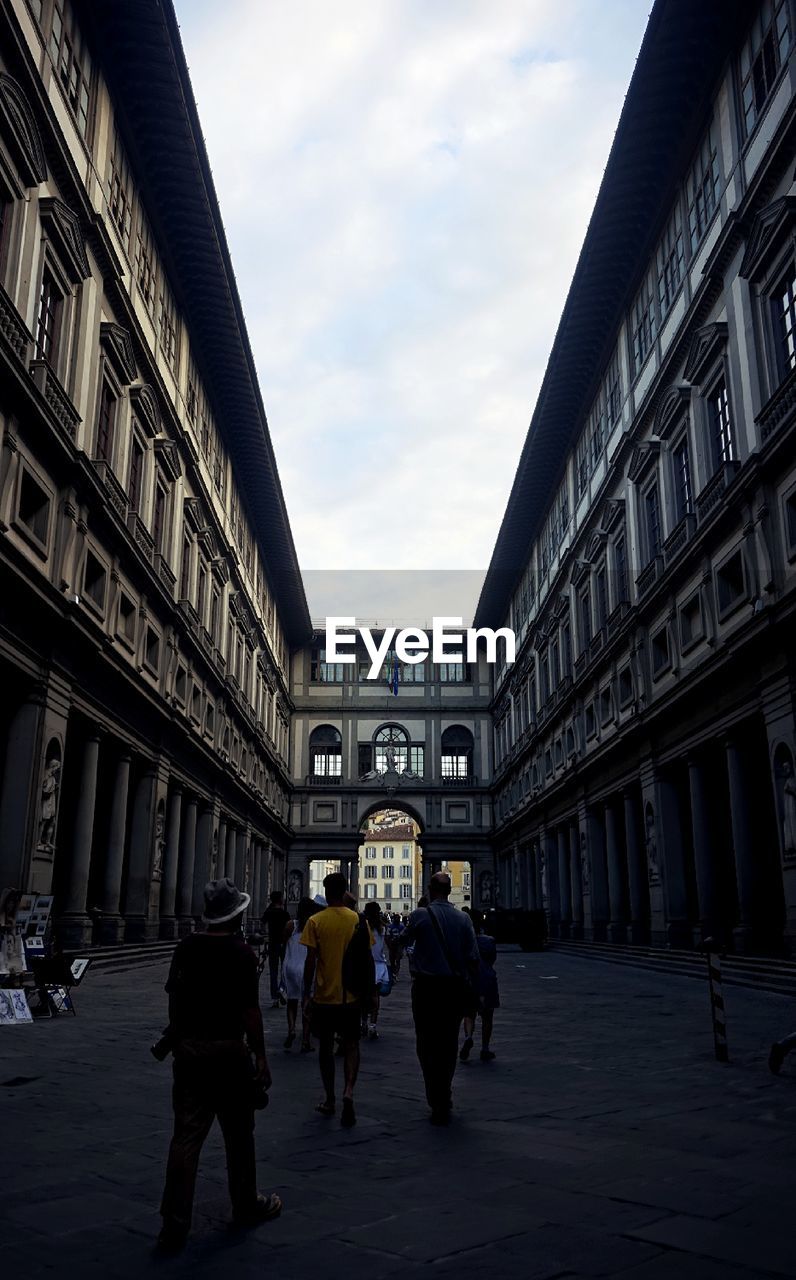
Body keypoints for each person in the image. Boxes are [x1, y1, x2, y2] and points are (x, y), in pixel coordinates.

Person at [158, 878, 281, 1252]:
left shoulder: (187, 947)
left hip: (191, 1054)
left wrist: (177, 1039)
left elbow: (174, 999)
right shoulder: (241, 954)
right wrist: (260, 1056)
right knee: (239, 1136)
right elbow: (249, 1011)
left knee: (185, 1139)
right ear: (238, 915)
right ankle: (246, 1204)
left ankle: (174, 1223)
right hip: (229, 1055)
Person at [397, 872, 480, 1125]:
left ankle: (434, 1093)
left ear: (430, 889)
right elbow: (473, 958)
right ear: (449, 889)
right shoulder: (464, 919)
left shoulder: (420, 915)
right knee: (448, 1043)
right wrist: (473, 990)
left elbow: (402, 942)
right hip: (453, 989)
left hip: (425, 989)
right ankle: (444, 1090)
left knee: (425, 1042)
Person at [301, 871, 369, 1128]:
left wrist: (307, 994)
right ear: (344, 892)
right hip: (351, 997)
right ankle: (348, 1091)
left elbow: (310, 961)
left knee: (326, 1051)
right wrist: (370, 994)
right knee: (352, 1046)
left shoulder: (315, 921)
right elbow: (367, 959)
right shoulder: (358, 921)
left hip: (325, 997)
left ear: (327, 893)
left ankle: (330, 1099)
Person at [459, 908, 500, 1063]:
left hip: (470, 980)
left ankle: (469, 1036)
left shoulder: (464, 941)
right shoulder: (489, 941)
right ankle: (485, 1048)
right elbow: (492, 960)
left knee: (469, 1014)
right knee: (487, 1017)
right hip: (487, 980)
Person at [281, 897, 320, 1052]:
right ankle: (305, 1040)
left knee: (291, 1001)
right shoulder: (314, 926)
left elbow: (283, 941)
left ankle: (291, 1029)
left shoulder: (291, 924)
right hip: (306, 967)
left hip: (290, 965)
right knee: (307, 1003)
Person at [362, 901, 390, 1040]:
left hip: (365, 963)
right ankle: (373, 1025)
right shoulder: (382, 928)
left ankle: (363, 1023)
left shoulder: (363, 927)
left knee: (363, 995)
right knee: (375, 997)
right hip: (379, 964)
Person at [261, 890, 289, 1008]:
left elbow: (263, 924)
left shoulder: (269, 912)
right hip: (283, 944)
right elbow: (288, 928)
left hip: (272, 944)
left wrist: (267, 934)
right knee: (284, 969)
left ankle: (274, 998)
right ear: (280, 900)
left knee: (273, 971)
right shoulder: (284, 914)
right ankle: (281, 989)